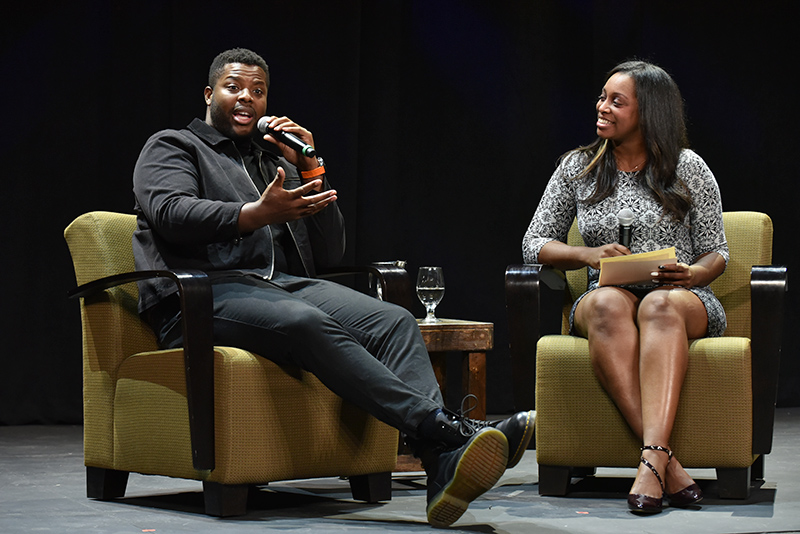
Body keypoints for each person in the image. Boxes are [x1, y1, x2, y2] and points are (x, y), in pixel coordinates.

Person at [132, 47, 534, 528]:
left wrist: (310, 165)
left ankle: (440, 461)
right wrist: (255, 214)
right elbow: (171, 213)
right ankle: (445, 431)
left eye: (257, 91)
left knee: (393, 321)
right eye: (234, 87)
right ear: (209, 93)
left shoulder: (269, 160)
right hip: (200, 297)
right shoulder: (173, 146)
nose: (246, 98)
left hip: (279, 287)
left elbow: (330, 254)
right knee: (305, 321)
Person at [522, 60, 728, 514]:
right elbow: (533, 242)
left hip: (679, 299)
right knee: (607, 305)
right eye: (602, 97)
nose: (603, 107)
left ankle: (654, 462)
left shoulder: (687, 167)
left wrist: (692, 275)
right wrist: (586, 255)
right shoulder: (578, 167)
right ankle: (663, 463)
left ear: (648, 111)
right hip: (607, 295)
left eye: (617, 101)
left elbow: (717, 252)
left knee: (658, 305)